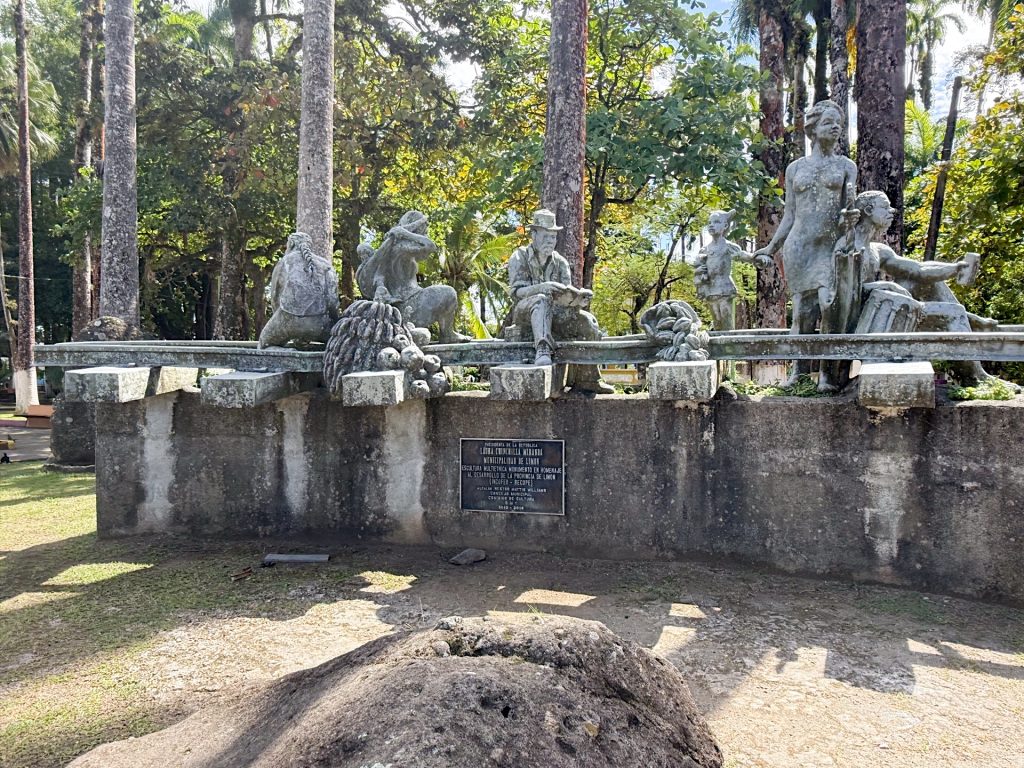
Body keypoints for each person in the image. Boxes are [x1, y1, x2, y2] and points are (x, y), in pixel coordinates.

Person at [845, 190, 1013, 388]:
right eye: (885, 207)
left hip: (885, 306)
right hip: (860, 317)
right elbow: (842, 291)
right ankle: (974, 375)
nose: (892, 211)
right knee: (953, 313)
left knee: (928, 281)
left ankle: (971, 325)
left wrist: (954, 268)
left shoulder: (878, 250)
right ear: (868, 210)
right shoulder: (845, 244)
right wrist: (882, 285)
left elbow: (918, 269)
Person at [753, 100, 858, 389]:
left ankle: (826, 375)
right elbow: (789, 214)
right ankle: (797, 373)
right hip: (798, 247)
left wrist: (851, 219)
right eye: (828, 122)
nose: (835, 127)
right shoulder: (795, 168)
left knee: (828, 308)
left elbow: (849, 207)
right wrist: (770, 248)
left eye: (838, 122)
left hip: (829, 248)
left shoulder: (846, 166)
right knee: (801, 313)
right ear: (812, 129)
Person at [507, 209, 613, 394]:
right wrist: (541, 287)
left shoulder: (560, 262)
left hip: (555, 313)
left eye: (553, 237)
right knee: (540, 301)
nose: (550, 241)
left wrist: (577, 301)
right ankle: (543, 349)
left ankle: (588, 379)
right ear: (534, 234)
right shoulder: (520, 256)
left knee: (586, 321)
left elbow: (566, 294)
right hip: (526, 312)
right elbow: (517, 293)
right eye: (546, 236)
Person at [355, 210, 469, 343]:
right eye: (424, 230)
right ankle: (447, 334)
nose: (425, 234)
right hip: (409, 306)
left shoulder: (393, 248)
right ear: (416, 228)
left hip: (407, 306)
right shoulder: (401, 248)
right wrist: (406, 234)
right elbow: (430, 246)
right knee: (449, 293)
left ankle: (448, 333)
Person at [693, 209, 772, 331]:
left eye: (716, 222)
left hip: (725, 289)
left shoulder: (728, 246)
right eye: (710, 222)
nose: (712, 225)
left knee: (726, 320)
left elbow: (745, 256)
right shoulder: (704, 250)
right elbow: (698, 268)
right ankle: (718, 348)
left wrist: (759, 257)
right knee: (717, 321)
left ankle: (729, 347)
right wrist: (700, 272)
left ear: (725, 226)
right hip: (710, 290)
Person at [258, 232, 340, 348]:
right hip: (319, 324)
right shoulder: (325, 265)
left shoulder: (284, 262)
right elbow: (333, 301)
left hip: (289, 321)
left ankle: (286, 356)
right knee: (337, 344)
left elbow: (275, 298)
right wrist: (334, 323)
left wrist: (280, 318)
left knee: (264, 344)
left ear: (291, 244)